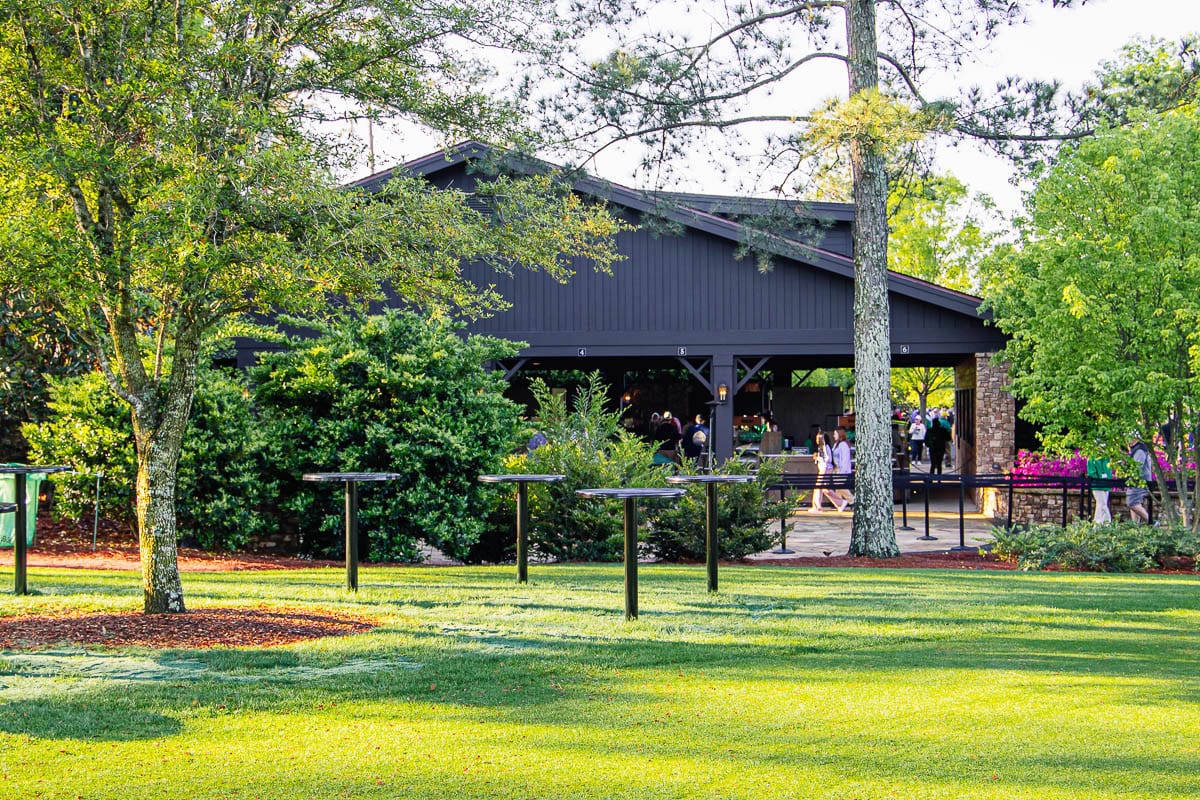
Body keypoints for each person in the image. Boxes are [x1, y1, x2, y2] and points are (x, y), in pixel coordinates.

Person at [1127, 435, 1154, 524]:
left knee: (1131, 502)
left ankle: (1152, 522)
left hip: (1139, 481)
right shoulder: (1137, 449)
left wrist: (1131, 477)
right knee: (1136, 503)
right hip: (1137, 481)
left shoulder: (1140, 450)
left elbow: (1138, 467)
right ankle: (1135, 527)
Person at [829, 426, 855, 511]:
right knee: (838, 488)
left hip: (842, 470)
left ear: (839, 434)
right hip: (836, 469)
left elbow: (845, 459)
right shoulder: (836, 444)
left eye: (835, 433)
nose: (833, 435)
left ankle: (851, 500)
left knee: (840, 486)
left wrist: (842, 471)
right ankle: (840, 505)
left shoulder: (843, 445)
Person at [809, 431, 835, 512]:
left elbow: (828, 459)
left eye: (818, 438)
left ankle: (817, 506)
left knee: (818, 488)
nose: (817, 439)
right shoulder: (822, 447)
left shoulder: (825, 447)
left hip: (825, 468)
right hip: (825, 468)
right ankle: (840, 502)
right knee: (823, 488)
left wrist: (817, 458)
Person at [1086, 454, 1113, 524]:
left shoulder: (1106, 457)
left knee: (1100, 505)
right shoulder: (1092, 458)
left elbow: (1109, 470)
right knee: (1102, 504)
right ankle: (1108, 522)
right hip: (1097, 486)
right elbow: (1092, 473)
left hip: (1106, 485)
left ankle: (1097, 524)